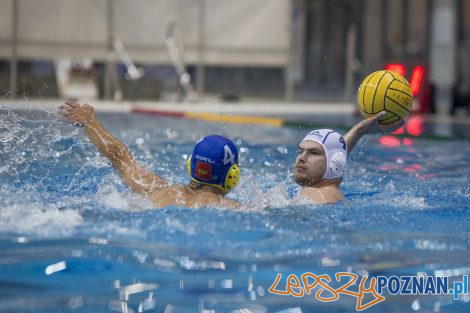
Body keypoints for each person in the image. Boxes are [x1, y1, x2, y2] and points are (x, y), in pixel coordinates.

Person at [58, 102, 241, 209]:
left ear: (190, 165)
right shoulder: (229, 208)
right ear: (232, 175)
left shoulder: (156, 189)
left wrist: (91, 122)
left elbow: (119, 157)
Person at [293, 111, 404, 204]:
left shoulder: (316, 195)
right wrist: (359, 130)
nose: (301, 158)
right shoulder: (327, 192)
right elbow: (336, 153)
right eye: (301, 151)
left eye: (314, 153)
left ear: (334, 162)